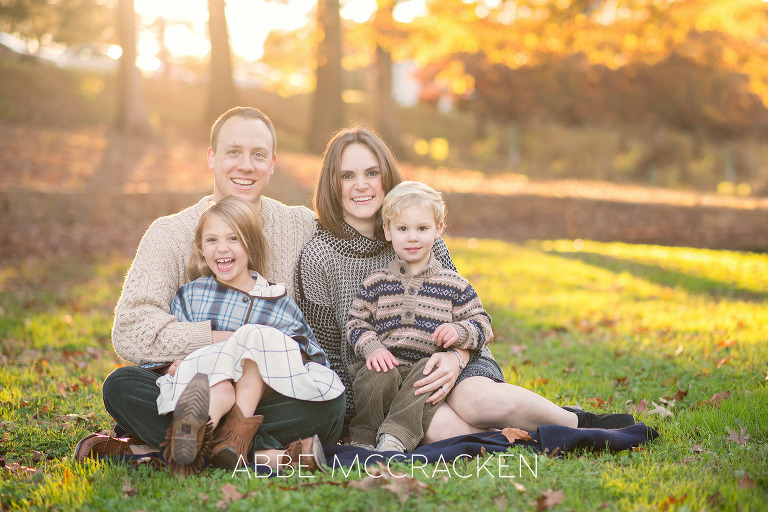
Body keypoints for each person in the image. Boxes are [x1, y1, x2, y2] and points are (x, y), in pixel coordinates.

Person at [294, 126, 635, 444]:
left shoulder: (419, 232)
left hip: (454, 359)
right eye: (347, 176)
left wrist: (455, 357)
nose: (362, 185)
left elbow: (465, 312)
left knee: (478, 402)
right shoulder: (319, 257)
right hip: (388, 384)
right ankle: (519, 435)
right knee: (448, 431)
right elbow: (325, 357)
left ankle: (583, 425)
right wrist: (368, 407)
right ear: (331, 183)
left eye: (371, 173)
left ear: (386, 177)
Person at [73, 107, 345, 472]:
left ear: (273, 163)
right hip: (190, 387)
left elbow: (369, 240)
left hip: (270, 391)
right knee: (122, 386)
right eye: (233, 152)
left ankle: (159, 447)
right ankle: (257, 452)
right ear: (212, 157)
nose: (245, 165)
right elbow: (130, 331)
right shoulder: (168, 233)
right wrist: (226, 342)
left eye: (258, 154)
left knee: (331, 405)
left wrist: (431, 248)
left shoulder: (300, 225)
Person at [153, 196, 343, 472]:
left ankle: (211, 435)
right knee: (122, 385)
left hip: (265, 399)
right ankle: (248, 448)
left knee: (327, 399)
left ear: (251, 246)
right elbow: (175, 345)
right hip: (206, 381)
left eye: (233, 239)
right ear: (201, 249)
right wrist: (171, 366)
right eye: (212, 241)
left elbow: (311, 356)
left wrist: (261, 348)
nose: (222, 249)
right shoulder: (190, 295)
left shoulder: (276, 299)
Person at [346, 181, 493, 453]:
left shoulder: (454, 284)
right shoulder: (376, 283)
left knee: (426, 377)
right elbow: (356, 322)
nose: (412, 237)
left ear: (438, 230)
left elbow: (482, 324)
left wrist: (459, 332)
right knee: (374, 376)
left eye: (422, 228)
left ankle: (395, 438)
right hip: (386, 360)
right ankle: (363, 439)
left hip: (425, 364)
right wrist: (372, 346)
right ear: (388, 232)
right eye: (402, 229)